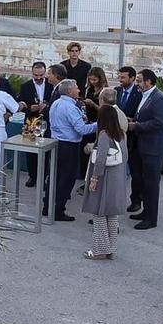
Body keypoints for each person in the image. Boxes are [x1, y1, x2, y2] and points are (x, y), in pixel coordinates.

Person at [79, 90, 130, 260]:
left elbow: (100, 160)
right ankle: (111, 249)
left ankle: (100, 249)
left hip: (104, 178)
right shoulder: (121, 135)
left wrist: (94, 179)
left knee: (99, 213)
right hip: (117, 179)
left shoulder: (103, 135)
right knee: (112, 215)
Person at [46, 79, 96, 223]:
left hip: (56, 143)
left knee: (54, 177)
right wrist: (98, 124)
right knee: (66, 180)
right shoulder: (70, 107)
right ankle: (58, 210)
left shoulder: (56, 103)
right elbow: (81, 129)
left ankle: (47, 206)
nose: (79, 90)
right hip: (68, 146)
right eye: (76, 88)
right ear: (69, 91)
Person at [128, 69, 163, 230]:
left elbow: (160, 122)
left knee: (151, 184)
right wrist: (134, 120)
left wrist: (136, 126)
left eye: (139, 81)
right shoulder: (145, 95)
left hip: (153, 148)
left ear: (149, 82)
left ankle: (151, 218)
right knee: (142, 181)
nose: (136, 84)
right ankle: (145, 211)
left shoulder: (159, 98)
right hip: (141, 146)